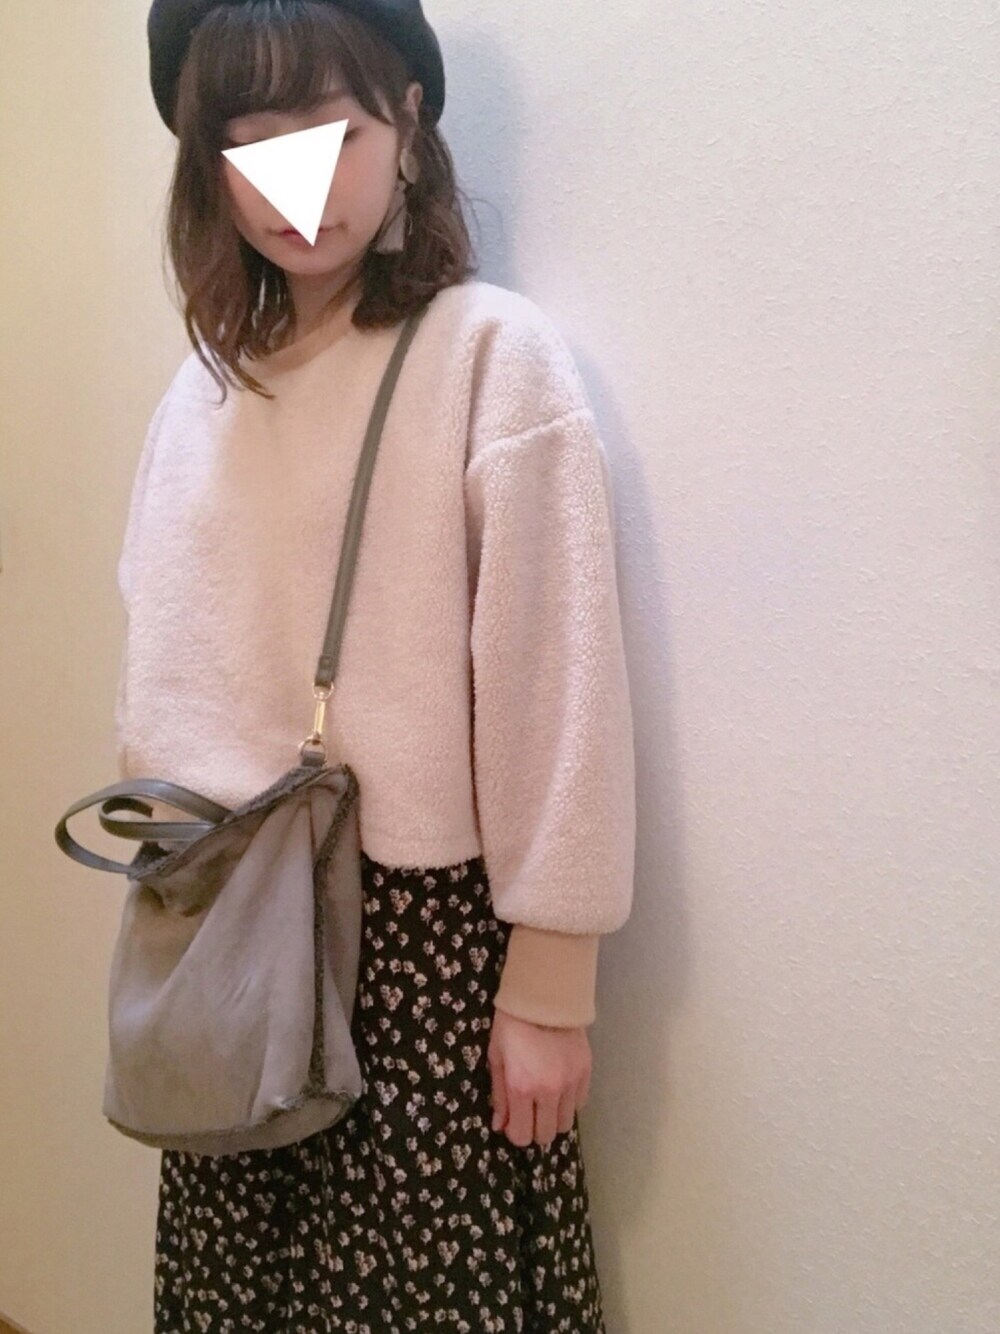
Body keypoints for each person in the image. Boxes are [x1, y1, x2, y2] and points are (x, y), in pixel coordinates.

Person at [128, 1, 636, 1328]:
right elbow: (164, 682)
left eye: (332, 134)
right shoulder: (199, 395)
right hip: (229, 938)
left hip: (417, 961)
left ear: (409, 120)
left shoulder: (489, 356)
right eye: (252, 146)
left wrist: (553, 982)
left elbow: (557, 686)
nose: (297, 188)